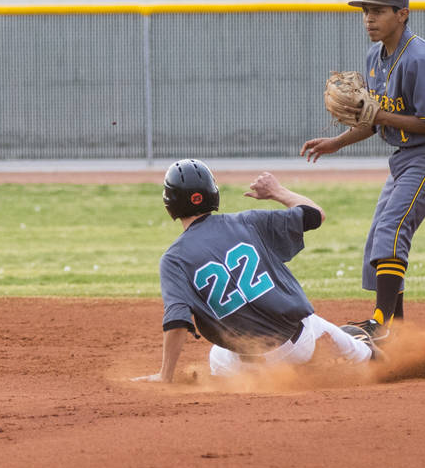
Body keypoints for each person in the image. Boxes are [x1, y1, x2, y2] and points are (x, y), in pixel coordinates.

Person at [301, 0, 425, 341]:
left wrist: (379, 116)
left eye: (377, 10)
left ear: (402, 14)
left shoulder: (420, 59)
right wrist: (335, 143)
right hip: (405, 157)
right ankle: (398, 330)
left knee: (392, 226)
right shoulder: (375, 57)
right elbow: (373, 122)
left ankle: (381, 322)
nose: (369, 18)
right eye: (365, 11)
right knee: (379, 235)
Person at [133, 160, 378, 382]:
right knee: (372, 360)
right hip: (300, 342)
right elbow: (315, 215)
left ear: (170, 203)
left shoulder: (173, 259)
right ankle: (355, 353)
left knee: (218, 355)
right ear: (212, 193)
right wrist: (277, 192)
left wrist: (165, 376)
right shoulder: (247, 221)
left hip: (247, 362)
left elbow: (176, 322)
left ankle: (273, 381)